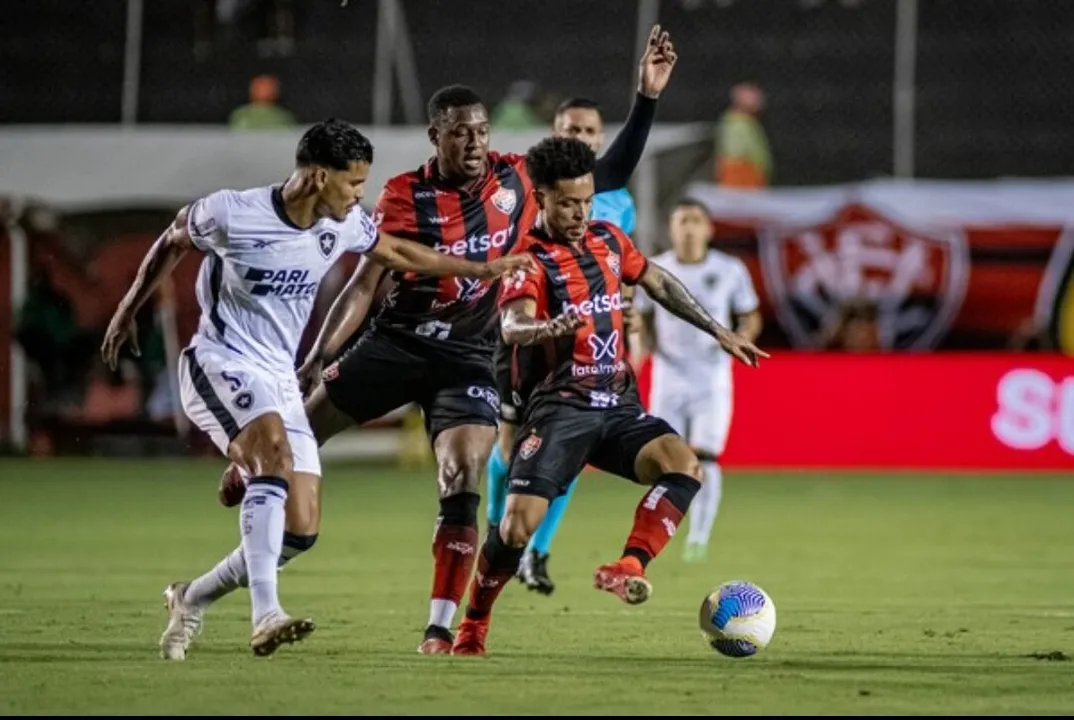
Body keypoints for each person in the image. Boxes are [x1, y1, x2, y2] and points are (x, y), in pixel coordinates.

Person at [294, 25, 679, 655]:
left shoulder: (517, 181)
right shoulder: (402, 196)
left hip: (468, 355)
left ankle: (442, 628)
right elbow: (367, 283)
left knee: (464, 477)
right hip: (397, 342)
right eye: (460, 132)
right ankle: (246, 562)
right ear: (434, 136)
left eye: (481, 131)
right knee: (296, 443)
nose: (474, 142)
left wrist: (646, 99)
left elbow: (606, 171)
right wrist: (319, 359)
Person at [99, 119, 534, 661]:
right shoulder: (232, 212)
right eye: (353, 183)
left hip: (279, 378)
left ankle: (192, 596)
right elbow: (172, 239)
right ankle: (266, 615)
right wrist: (127, 310)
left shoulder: (343, 224)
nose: (360, 195)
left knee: (300, 530)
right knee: (274, 460)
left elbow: (399, 255)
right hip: (221, 361)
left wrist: (483, 268)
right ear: (317, 175)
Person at [452, 137, 767, 655]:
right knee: (513, 530)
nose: (579, 213)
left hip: (617, 406)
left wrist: (718, 329)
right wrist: (551, 326)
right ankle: (473, 623)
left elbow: (659, 281)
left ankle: (629, 565)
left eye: (586, 201)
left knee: (684, 466)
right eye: (567, 203)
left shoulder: (610, 241)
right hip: (560, 411)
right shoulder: (528, 259)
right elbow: (512, 325)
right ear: (543, 198)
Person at [487, 96, 639, 595]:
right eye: (571, 128)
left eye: (590, 130)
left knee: (570, 452)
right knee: (509, 450)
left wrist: (627, 317)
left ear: (600, 137)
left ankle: (537, 551)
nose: (581, 137)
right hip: (525, 338)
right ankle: (499, 535)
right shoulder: (536, 186)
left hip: (583, 349)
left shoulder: (615, 200)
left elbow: (623, 269)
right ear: (555, 132)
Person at [633, 198, 762, 563]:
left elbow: (749, 314)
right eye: (681, 221)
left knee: (706, 457)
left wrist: (743, 335)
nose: (688, 228)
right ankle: (662, 531)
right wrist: (638, 350)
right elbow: (639, 318)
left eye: (694, 221)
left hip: (711, 376)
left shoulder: (729, 269)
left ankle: (699, 537)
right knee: (666, 460)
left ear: (709, 229)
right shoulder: (656, 269)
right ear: (671, 229)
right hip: (669, 374)